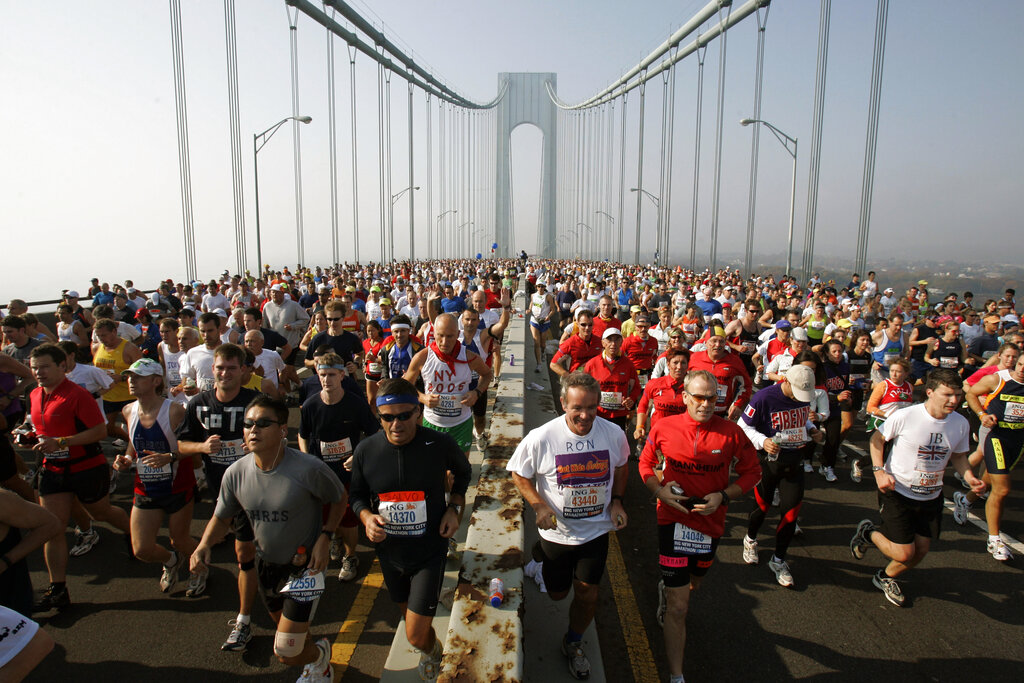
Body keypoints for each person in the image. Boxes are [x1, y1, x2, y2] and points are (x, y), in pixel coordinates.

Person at [191, 395, 345, 682]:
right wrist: (203, 545)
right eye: (248, 424)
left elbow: (339, 498)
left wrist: (326, 536)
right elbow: (222, 516)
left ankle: (320, 659)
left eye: (263, 423)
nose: (253, 430)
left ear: (283, 430)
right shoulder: (235, 473)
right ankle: (313, 653)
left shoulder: (308, 468)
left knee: (285, 650)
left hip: (303, 568)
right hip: (266, 567)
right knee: (291, 632)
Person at [638, 370, 761, 683]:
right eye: (699, 397)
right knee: (679, 608)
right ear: (685, 398)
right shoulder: (664, 426)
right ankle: (677, 676)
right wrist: (658, 490)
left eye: (712, 398)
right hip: (672, 518)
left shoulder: (732, 434)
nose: (705, 404)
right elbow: (645, 463)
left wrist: (723, 496)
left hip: (709, 524)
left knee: (695, 584)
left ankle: (675, 589)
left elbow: (753, 473)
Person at [507, 372, 629, 681]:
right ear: (563, 404)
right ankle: (538, 560)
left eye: (591, 407)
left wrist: (616, 501)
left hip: (596, 531)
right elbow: (519, 474)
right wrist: (538, 505)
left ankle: (573, 642)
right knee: (558, 595)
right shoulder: (543, 437)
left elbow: (622, 465)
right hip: (556, 533)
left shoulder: (613, 433)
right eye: (577, 407)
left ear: (599, 404)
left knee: (587, 594)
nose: (585, 415)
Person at [349, 378, 471, 681]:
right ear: (379, 417)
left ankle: (432, 651)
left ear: (418, 412)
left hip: (429, 550)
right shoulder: (367, 450)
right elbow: (357, 496)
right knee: (410, 618)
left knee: (415, 635)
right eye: (388, 417)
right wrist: (366, 518)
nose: (396, 424)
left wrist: (454, 509)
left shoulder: (439, 444)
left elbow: (464, 473)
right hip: (390, 554)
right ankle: (428, 643)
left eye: (404, 415)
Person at [850, 369, 984, 606]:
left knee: (921, 550)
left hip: (931, 495)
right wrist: (879, 472)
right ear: (930, 392)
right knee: (904, 553)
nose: (954, 400)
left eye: (958, 395)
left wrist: (970, 477)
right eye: (948, 394)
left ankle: (885, 577)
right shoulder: (907, 416)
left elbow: (959, 456)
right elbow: (877, 440)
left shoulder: (960, 423)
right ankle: (868, 532)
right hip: (898, 490)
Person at [27, 344, 132, 612]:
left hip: (85, 466)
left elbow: (99, 431)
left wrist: (61, 441)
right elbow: (43, 430)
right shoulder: (35, 395)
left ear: (63, 366)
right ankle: (58, 588)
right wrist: (31, 436)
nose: (39, 372)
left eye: (45, 366)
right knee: (52, 527)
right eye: (34, 367)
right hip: (53, 471)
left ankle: (135, 535)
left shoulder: (77, 395)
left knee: (101, 513)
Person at [177, 343, 261, 647]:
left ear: (243, 371)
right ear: (212, 370)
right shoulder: (198, 404)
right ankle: (245, 619)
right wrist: (201, 447)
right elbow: (181, 445)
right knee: (245, 554)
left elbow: (279, 439)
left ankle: (245, 617)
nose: (225, 373)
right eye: (220, 368)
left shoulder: (255, 402)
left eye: (231, 368)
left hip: (259, 489)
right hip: (224, 494)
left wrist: (257, 445)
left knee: (250, 553)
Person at [110, 358, 202, 594]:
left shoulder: (174, 411)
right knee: (141, 549)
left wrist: (169, 457)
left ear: (155, 381)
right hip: (145, 487)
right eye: (130, 377)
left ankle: (200, 569)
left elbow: (192, 447)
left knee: (180, 540)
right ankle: (171, 562)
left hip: (177, 485)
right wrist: (127, 459)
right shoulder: (128, 410)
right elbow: (134, 443)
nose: (131, 382)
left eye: (138, 377)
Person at [739, 364, 824, 588]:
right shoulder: (764, 398)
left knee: (791, 512)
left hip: (794, 462)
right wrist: (763, 441)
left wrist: (812, 429)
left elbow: (801, 418)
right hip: (769, 463)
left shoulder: (804, 397)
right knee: (762, 506)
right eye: (797, 393)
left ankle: (779, 559)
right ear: (785, 381)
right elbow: (743, 427)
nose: (800, 398)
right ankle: (751, 538)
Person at [298, 353, 379, 581]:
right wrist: (307, 458)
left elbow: (373, 434)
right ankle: (332, 539)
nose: (326, 379)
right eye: (322, 375)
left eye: (332, 374)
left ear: (342, 375)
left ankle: (350, 555)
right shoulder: (311, 405)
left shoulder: (355, 404)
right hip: (321, 472)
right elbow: (303, 435)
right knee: (324, 516)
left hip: (348, 473)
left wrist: (357, 455)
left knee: (348, 519)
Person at [955, 353, 1024, 561]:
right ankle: (995, 540)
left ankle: (965, 500)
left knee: (992, 478)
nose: (1021, 369)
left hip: (1018, 441)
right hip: (997, 437)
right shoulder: (998, 379)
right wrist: (982, 415)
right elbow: (971, 394)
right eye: (1020, 364)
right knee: (1002, 488)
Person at [403, 314, 492, 456]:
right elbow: (406, 385)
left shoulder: (469, 357)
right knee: (435, 470)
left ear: (458, 334)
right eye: (440, 335)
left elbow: (487, 374)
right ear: (434, 334)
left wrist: (476, 393)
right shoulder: (422, 357)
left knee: (460, 471)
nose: (444, 342)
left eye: (450, 336)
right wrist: (423, 398)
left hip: (461, 423)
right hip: (432, 423)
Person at [687, 325, 752, 420]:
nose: (718, 345)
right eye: (714, 341)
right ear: (706, 343)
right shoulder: (694, 358)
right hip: (696, 411)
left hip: (722, 414)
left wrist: (737, 404)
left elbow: (746, 386)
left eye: (721, 341)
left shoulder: (734, 361)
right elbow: (682, 382)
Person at [583, 328, 640, 433]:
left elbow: (636, 387)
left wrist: (631, 399)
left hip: (619, 415)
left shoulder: (628, 364)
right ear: (603, 343)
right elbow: (583, 389)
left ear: (621, 342)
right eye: (609, 340)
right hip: (598, 414)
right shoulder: (592, 364)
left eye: (617, 340)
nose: (613, 344)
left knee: (616, 445)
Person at [634, 348, 690, 443]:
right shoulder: (655, 384)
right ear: (668, 364)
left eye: (683, 363)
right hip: (657, 435)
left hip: (682, 437)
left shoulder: (693, 386)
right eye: (675, 363)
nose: (679, 367)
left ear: (688, 365)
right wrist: (639, 426)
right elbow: (643, 405)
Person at [549, 310, 601, 377]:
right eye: (583, 325)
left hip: (595, 382)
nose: (587, 328)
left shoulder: (600, 342)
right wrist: (569, 376)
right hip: (577, 382)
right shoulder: (570, 343)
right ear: (577, 324)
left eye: (590, 325)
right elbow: (553, 364)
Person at [529, 281, 557, 372]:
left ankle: (543, 351)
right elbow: (532, 303)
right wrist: (529, 310)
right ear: (536, 287)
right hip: (534, 321)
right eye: (539, 286)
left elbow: (553, 310)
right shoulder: (533, 295)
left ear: (544, 287)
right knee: (536, 342)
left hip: (544, 322)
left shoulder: (548, 296)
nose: (540, 288)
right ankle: (539, 364)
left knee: (542, 343)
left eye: (542, 286)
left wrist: (548, 317)